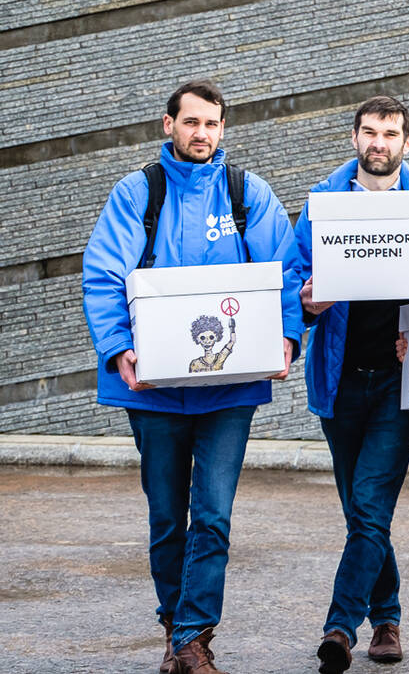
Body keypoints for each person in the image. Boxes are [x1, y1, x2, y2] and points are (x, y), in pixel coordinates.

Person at [81, 79, 302, 674]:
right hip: (152, 390)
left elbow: (285, 268)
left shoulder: (245, 193)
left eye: (212, 124)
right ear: (168, 125)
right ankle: (174, 624)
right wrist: (117, 348)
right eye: (191, 122)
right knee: (164, 516)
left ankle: (193, 638)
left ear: (223, 130)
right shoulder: (137, 194)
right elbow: (103, 274)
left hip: (228, 390)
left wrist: (286, 336)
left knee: (212, 514)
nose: (201, 133)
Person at [286, 95, 409, 674]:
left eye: (390, 134)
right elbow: (293, 280)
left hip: (403, 381)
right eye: (369, 132)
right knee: (361, 510)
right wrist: (305, 302)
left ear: (407, 142)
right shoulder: (322, 205)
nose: (379, 143)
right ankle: (389, 616)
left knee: (369, 505)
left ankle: (341, 628)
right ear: (354, 138)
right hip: (339, 381)